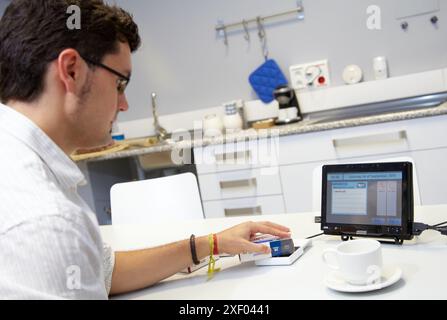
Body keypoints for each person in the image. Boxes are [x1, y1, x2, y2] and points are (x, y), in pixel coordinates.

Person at [0, 0, 291, 299]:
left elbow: (104, 272)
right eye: (120, 84)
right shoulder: (49, 222)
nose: (124, 104)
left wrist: (212, 244)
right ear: (72, 71)